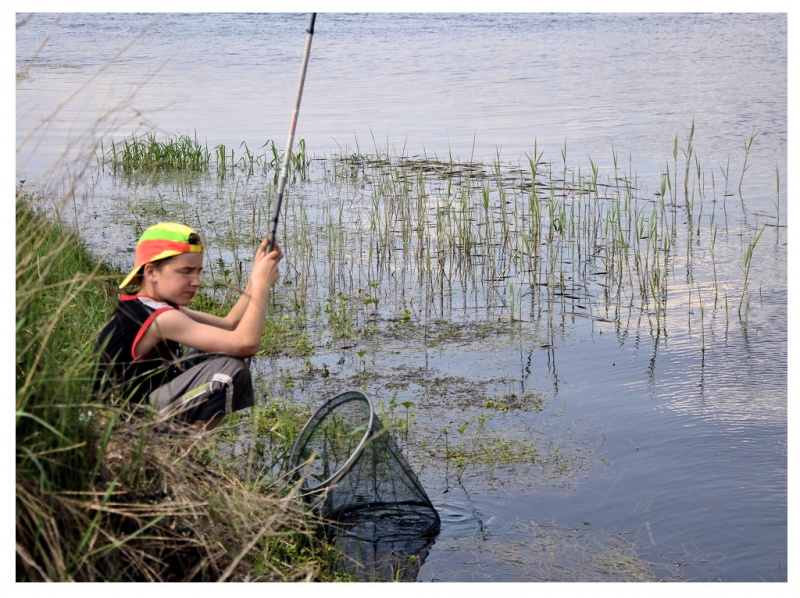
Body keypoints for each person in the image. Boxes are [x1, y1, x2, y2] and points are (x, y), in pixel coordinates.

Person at [95, 222, 283, 432]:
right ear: (151, 272)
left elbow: (229, 326)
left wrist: (255, 277)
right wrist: (261, 286)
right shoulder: (161, 319)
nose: (196, 281)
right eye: (186, 272)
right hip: (125, 426)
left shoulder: (151, 306)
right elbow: (246, 344)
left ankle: (175, 452)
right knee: (229, 371)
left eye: (198, 271)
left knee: (220, 351)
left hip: (140, 407)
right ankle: (178, 454)